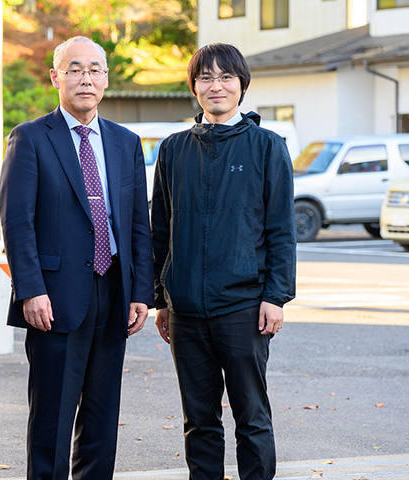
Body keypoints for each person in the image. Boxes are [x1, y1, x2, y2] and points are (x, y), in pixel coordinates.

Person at [0, 36, 154, 480]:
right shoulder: (30, 137)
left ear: (106, 78)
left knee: (102, 420)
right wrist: (31, 289)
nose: (85, 78)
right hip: (55, 298)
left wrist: (141, 290)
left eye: (94, 70)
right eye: (75, 69)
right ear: (56, 77)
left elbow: (136, 223)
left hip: (114, 294)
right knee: (51, 418)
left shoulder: (126, 142)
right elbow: (17, 221)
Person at [150, 43, 296, 480]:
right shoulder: (174, 149)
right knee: (200, 421)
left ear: (242, 85)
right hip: (186, 311)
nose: (216, 86)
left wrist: (276, 297)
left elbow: (282, 230)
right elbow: (161, 231)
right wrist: (161, 299)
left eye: (225, 77)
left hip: (244, 307)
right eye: (206, 78)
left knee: (251, 417)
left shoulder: (267, 147)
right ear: (194, 87)